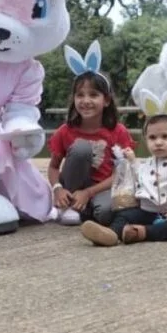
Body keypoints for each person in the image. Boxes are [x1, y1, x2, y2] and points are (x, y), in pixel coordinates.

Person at [80, 112, 167, 246]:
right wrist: (132, 160)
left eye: (165, 137)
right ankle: (112, 234)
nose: (158, 142)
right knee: (124, 215)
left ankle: (142, 232)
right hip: (147, 211)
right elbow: (140, 175)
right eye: (152, 138)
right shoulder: (149, 162)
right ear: (146, 140)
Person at [48, 41, 135, 227]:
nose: (86, 101)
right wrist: (57, 189)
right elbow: (54, 167)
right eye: (80, 95)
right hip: (73, 185)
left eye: (93, 95)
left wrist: (89, 193)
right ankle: (68, 205)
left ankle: (83, 207)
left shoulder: (118, 132)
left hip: (101, 188)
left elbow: (121, 174)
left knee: (105, 214)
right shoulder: (65, 131)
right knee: (81, 147)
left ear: (106, 101)